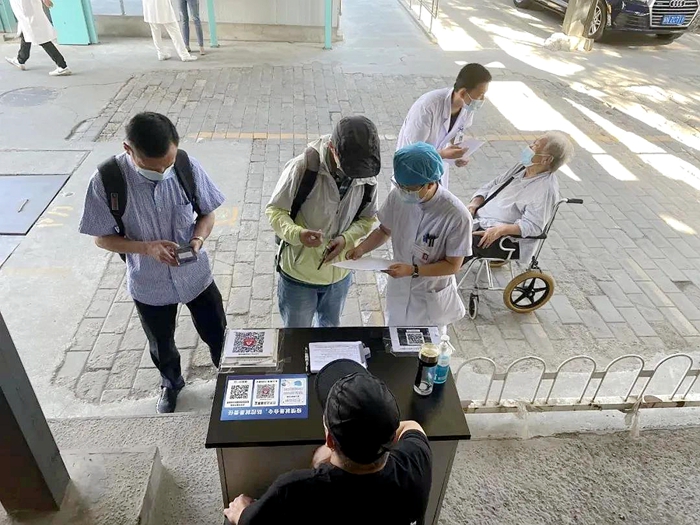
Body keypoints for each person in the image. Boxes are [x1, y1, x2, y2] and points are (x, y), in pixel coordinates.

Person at [78, 112, 226, 414]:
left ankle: (225, 374)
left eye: (167, 164)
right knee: (160, 343)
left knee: (216, 331)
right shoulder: (107, 180)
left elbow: (208, 213)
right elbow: (101, 238)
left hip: (196, 275)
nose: (162, 171)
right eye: (153, 166)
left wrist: (197, 239)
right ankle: (171, 383)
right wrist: (146, 248)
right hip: (148, 282)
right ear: (128, 149)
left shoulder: (185, 166)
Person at [223, 359, 433, 525]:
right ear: (391, 434)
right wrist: (376, 428)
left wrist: (241, 512)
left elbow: (249, 521)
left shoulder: (292, 490)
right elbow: (412, 425)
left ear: (330, 440)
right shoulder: (416, 463)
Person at [266, 116, 381, 328]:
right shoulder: (302, 167)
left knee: (330, 334)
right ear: (332, 149)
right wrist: (297, 234)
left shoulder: (367, 174)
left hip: (340, 274)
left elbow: (367, 218)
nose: (355, 175)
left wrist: (346, 238)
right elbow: (275, 211)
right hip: (298, 277)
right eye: (349, 168)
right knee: (297, 337)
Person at [347, 142, 473, 329]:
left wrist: (413, 270)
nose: (404, 192)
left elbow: (453, 265)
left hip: (429, 296)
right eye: (400, 185)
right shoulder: (398, 196)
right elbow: (384, 230)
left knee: (426, 344)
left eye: (410, 189)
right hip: (399, 289)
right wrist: (361, 249)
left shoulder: (457, 216)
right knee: (394, 336)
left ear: (431, 183)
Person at [467, 131, 574, 264]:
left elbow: (533, 226)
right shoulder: (522, 168)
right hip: (479, 220)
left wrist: (500, 230)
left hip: (504, 239)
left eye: (535, 146)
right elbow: (492, 185)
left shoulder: (546, 190)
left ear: (546, 159)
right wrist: (474, 205)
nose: (529, 147)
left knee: (457, 244)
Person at [396, 63, 492, 188]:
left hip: (435, 171)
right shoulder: (427, 107)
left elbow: (455, 133)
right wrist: (443, 154)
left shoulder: (467, 107)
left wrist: (459, 154)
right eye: (480, 95)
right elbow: (413, 151)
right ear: (463, 93)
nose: (482, 100)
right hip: (412, 171)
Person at [5, 0, 71, 76]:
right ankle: (21, 60)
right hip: (23, 8)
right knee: (26, 31)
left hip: (27, 8)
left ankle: (62, 66)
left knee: (39, 37)